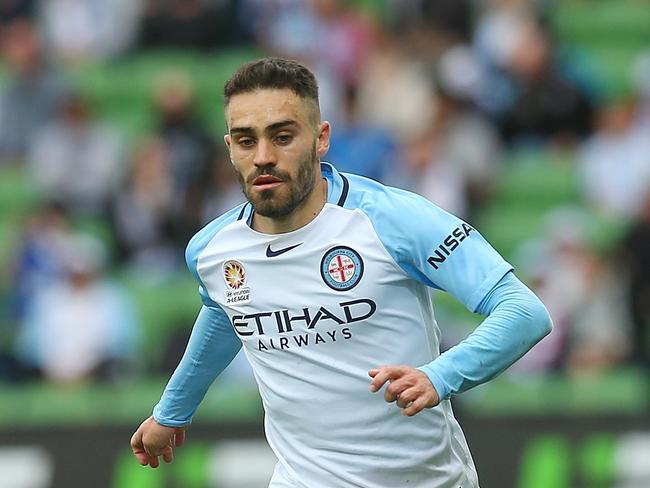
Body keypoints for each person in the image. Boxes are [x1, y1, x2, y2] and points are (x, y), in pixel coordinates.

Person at [130, 58, 552, 488]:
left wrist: (438, 376)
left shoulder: (390, 220)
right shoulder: (212, 251)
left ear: (321, 139)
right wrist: (171, 411)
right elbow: (225, 314)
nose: (263, 157)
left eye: (282, 136)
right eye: (245, 140)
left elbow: (524, 312)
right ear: (230, 148)